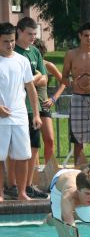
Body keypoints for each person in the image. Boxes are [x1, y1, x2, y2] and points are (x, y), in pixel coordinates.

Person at [0, 22, 42, 202]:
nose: (9, 45)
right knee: (0, 157)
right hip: (1, 117)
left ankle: (22, 192)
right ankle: (0, 193)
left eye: (11, 41)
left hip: (20, 115)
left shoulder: (22, 60)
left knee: (23, 155)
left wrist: (37, 114)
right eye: (5, 41)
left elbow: (31, 89)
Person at [11, 17, 49, 199]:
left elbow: (45, 79)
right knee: (12, 151)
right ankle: (12, 184)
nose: (33, 37)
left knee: (33, 147)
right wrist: (33, 79)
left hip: (32, 108)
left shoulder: (34, 52)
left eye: (35, 34)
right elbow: (17, 81)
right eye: (29, 34)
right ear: (18, 31)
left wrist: (30, 81)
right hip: (15, 108)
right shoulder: (11, 51)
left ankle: (27, 185)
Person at [61, 22, 90, 165]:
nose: (89, 38)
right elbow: (64, 77)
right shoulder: (71, 54)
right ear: (80, 36)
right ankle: (77, 171)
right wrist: (72, 83)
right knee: (77, 137)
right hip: (78, 98)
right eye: (86, 35)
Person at [34, 38, 66, 164]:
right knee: (33, 143)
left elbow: (64, 81)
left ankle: (49, 170)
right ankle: (34, 173)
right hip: (29, 107)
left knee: (50, 140)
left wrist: (54, 98)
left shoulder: (47, 65)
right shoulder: (23, 64)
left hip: (44, 106)